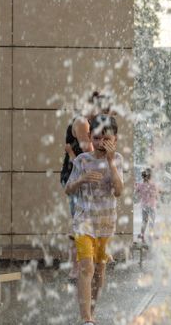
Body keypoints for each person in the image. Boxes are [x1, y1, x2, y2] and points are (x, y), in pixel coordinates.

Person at [65, 114, 124, 325]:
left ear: (115, 139)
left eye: (106, 139)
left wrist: (111, 164)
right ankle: (86, 320)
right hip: (84, 221)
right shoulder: (82, 160)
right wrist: (81, 179)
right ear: (90, 137)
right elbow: (68, 188)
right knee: (86, 267)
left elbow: (118, 191)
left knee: (99, 270)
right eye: (97, 139)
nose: (100, 143)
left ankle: (91, 309)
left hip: (105, 224)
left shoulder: (117, 160)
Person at [60, 91, 111, 280]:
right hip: (74, 177)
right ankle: (75, 268)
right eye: (102, 112)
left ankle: (89, 260)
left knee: (90, 216)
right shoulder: (82, 122)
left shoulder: (91, 124)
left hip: (85, 176)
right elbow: (89, 152)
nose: (103, 117)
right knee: (80, 220)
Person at [135, 168, 158, 244]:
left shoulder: (140, 185)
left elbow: (136, 192)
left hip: (144, 206)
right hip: (152, 205)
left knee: (144, 221)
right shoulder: (153, 185)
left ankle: (142, 235)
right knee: (152, 221)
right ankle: (151, 235)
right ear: (150, 176)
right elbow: (156, 194)